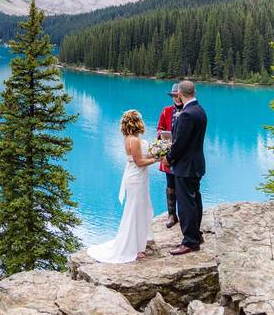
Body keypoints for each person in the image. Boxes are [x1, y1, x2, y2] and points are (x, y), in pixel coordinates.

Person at [86, 110, 158, 263]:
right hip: (137, 178)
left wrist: (153, 153)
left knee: (139, 209)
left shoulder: (128, 138)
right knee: (135, 211)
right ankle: (133, 248)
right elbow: (139, 162)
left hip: (136, 178)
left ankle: (138, 243)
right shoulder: (135, 140)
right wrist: (156, 159)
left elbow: (139, 158)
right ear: (137, 122)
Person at [166, 80, 207, 255]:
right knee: (195, 199)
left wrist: (168, 158)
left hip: (185, 167)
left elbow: (179, 144)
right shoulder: (200, 110)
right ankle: (196, 234)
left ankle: (190, 241)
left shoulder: (186, 114)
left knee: (185, 204)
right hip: (197, 164)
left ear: (181, 94)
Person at [156, 83, 183, 228]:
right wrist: (163, 135)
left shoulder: (188, 111)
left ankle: (184, 214)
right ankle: (172, 214)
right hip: (169, 154)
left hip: (183, 156)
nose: (176, 98)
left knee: (183, 186)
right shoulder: (166, 111)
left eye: (178, 96)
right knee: (170, 185)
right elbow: (159, 128)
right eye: (173, 96)